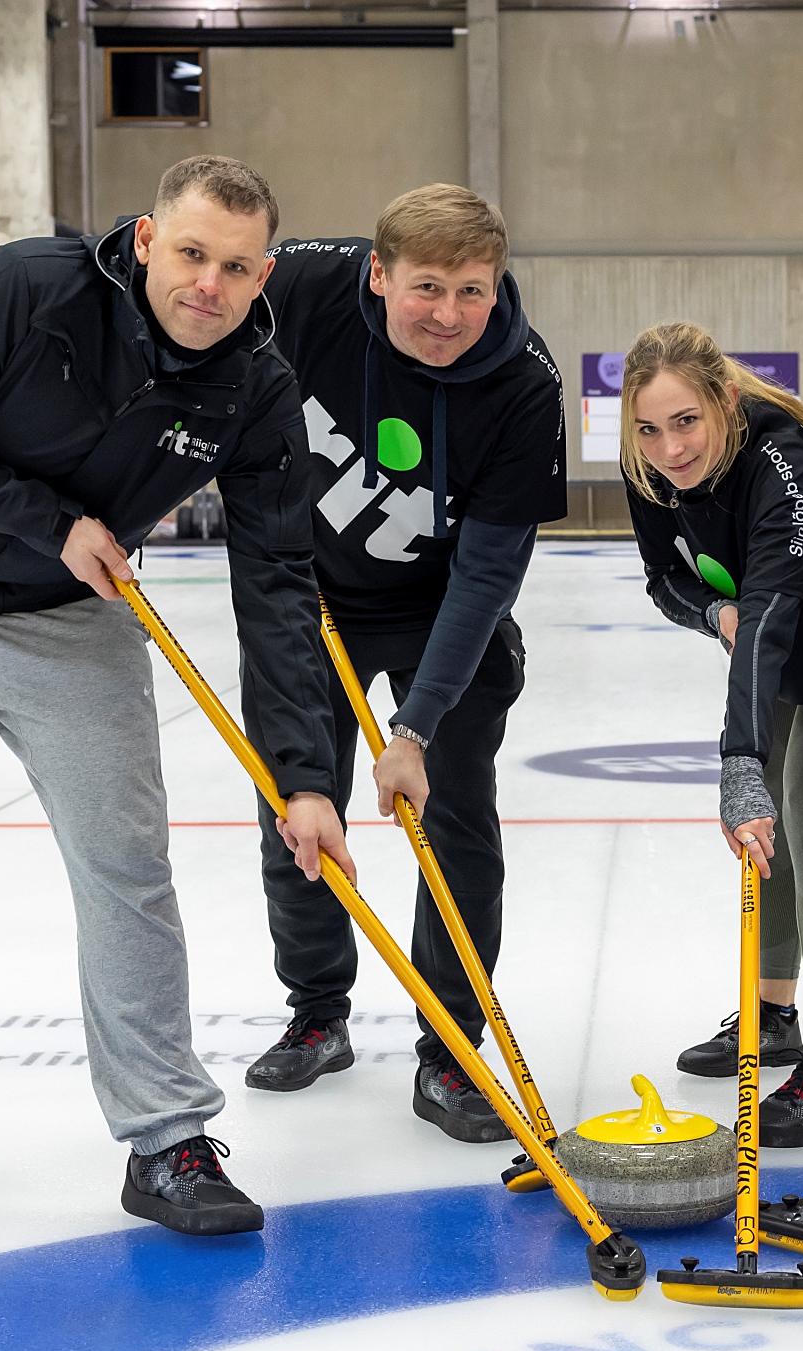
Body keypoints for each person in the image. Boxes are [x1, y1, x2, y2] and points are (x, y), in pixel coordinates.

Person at [0, 156, 348, 1237]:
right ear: (146, 240)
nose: (210, 285)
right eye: (191, 254)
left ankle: (166, 1138)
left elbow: (278, 580)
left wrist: (301, 775)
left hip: (66, 611)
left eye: (238, 268)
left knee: (126, 868)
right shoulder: (22, 288)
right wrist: (47, 521)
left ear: (264, 275)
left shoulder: (256, 389)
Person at [238, 186, 566, 1144]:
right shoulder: (301, 288)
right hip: (312, 595)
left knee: (455, 820)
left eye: (472, 291)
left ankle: (451, 1046)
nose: (449, 315)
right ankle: (317, 1011)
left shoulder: (525, 385)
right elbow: (186, 297)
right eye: (426, 287)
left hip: (441, 609)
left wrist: (414, 728)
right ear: (378, 274)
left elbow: (489, 572)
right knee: (297, 804)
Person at [621, 322, 803, 1147]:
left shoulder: (784, 463)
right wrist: (713, 611)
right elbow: (665, 578)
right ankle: (773, 1012)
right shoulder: (649, 466)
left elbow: (772, 613)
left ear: (726, 402)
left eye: (686, 422)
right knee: (764, 808)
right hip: (774, 651)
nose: (670, 447)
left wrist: (737, 758)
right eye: (649, 428)